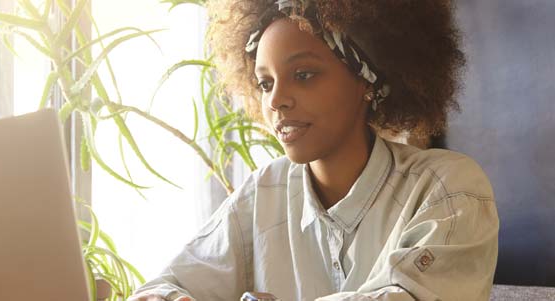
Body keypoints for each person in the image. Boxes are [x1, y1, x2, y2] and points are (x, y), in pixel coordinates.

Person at [129, 0, 498, 300]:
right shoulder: (263, 192)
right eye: (264, 82)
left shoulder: (448, 188)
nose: (275, 100)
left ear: (367, 81)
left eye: (303, 75)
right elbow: (163, 286)